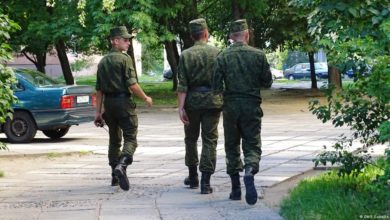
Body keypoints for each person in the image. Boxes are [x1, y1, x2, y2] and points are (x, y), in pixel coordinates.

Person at [212, 19, 273, 205]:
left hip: (230, 106)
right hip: (251, 105)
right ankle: (249, 170)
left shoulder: (222, 56)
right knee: (252, 144)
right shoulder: (259, 55)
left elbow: (215, 86)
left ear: (231, 36)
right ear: (247, 35)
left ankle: (235, 189)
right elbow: (267, 82)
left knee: (231, 146)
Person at [94, 26, 153, 191]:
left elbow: (98, 90)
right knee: (131, 138)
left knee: (114, 140)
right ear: (114, 41)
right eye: (125, 39)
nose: (128, 42)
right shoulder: (124, 59)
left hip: (109, 106)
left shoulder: (103, 61)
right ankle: (122, 165)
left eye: (129, 40)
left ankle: (114, 175)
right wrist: (145, 97)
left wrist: (98, 113)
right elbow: (132, 85)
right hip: (123, 103)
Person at [177, 18, 222, 194]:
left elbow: (182, 85)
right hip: (213, 101)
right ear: (206, 33)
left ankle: (193, 176)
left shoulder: (185, 55)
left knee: (191, 139)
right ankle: (205, 182)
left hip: (192, 102)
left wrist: (181, 107)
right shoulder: (217, 53)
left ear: (191, 35)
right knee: (209, 140)